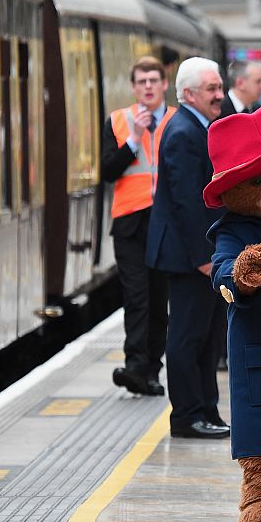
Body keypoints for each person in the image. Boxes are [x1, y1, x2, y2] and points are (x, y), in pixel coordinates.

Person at [146, 57, 229, 439]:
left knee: (207, 336)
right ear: (189, 94)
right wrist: (203, 258)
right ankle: (186, 415)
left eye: (219, 87)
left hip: (199, 255)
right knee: (187, 336)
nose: (220, 95)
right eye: (212, 89)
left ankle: (206, 409)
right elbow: (187, 202)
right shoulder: (182, 133)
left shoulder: (199, 126)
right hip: (188, 258)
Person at [101, 56, 174, 397]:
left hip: (165, 223)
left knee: (159, 300)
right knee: (137, 297)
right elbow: (107, 172)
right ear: (133, 87)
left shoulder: (177, 121)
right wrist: (132, 140)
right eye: (141, 81)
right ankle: (134, 367)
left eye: (153, 80)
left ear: (164, 85)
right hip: (129, 223)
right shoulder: (118, 122)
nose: (147, 86)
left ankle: (151, 370)